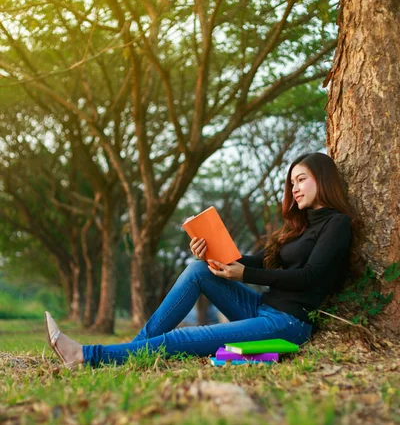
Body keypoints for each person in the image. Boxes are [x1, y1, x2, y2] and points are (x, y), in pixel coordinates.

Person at [45, 152, 358, 369]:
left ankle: (87, 356)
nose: (294, 188)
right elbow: (265, 261)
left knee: (183, 337)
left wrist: (244, 274)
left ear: (323, 179)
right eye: (291, 183)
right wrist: (213, 255)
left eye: (301, 180)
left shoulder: (337, 224)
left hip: (288, 324)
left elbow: (311, 276)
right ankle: (135, 350)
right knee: (197, 269)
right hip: (263, 309)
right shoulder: (300, 225)